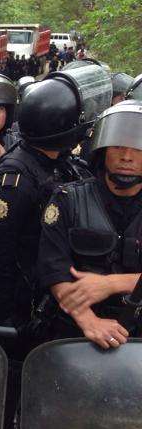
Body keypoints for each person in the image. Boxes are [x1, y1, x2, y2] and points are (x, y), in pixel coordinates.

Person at [0, 65, 109, 429]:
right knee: (13, 405)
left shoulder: (62, 163)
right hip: (25, 316)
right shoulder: (16, 176)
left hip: (60, 309)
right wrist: (13, 316)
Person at [38, 100, 142, 349]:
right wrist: (89, 321)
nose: (126, 157)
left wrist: (110, 284)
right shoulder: (68, 200)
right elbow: (54, 269)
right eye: (118, 146)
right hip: (75, 335)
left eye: (137, 148)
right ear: (103, 149)